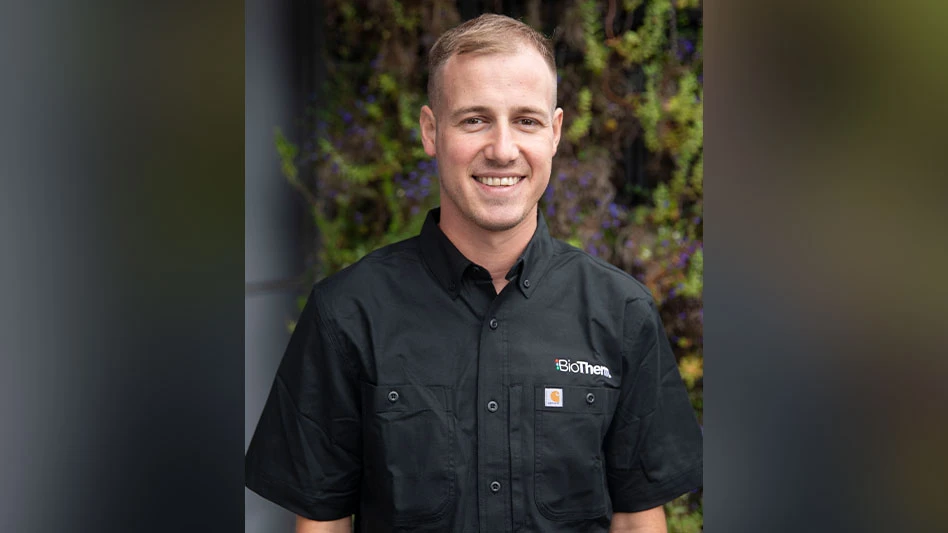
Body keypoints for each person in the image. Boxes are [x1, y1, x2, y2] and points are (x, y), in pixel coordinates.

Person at [245, 13, 702, 533]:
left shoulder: (621, 314)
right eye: (475, 120)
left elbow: (638, 521)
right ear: (430, 131)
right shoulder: (347, 314)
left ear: (554, 133)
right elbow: (322, 523)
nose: (503, 149)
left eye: (525, 120)